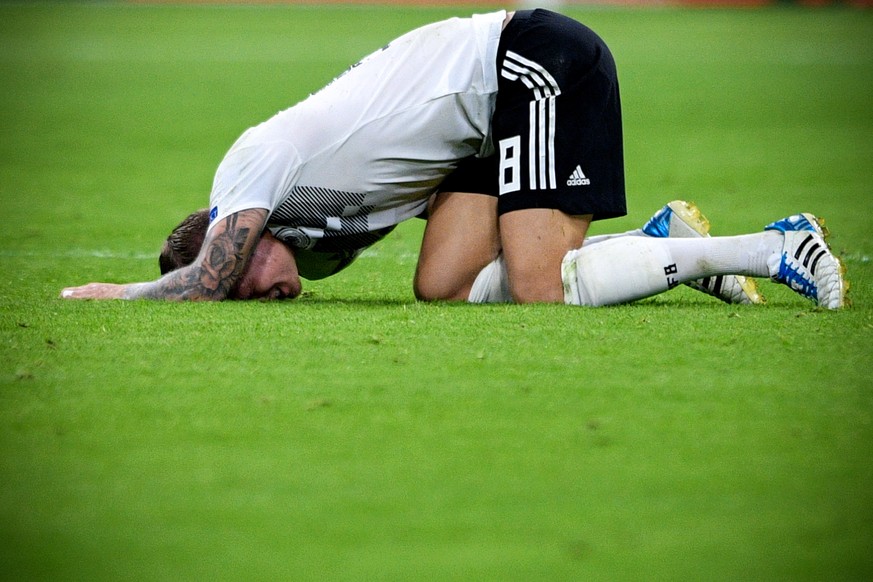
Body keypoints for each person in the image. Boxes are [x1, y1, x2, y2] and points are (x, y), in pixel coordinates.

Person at [60, 9, 846, 309]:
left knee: (539, 287)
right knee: (444, 287)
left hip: (525, 62)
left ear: (234, 236)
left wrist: (120, 293)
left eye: (247, 282)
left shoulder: (244, 173)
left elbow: (203, 281)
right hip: (481, 133)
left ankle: (773, 246)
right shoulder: (307, 239)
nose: (262, 295)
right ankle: (662, 241)